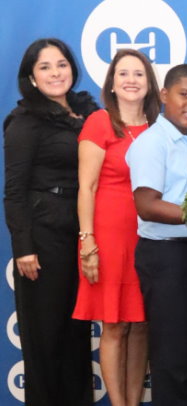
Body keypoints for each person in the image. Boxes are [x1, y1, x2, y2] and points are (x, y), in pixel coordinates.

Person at [3, 38, 99, 406]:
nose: (55, 73)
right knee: (46, 338)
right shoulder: (25, 121)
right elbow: (14, 191)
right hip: (44, 240)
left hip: (83, 235)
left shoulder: (87, 113)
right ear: (31, 76)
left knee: (77, 334)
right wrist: (24, 248)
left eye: (61, 64)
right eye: (45, 67)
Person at [126, 64, 187, 406]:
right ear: (164, 95)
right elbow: (147, 205)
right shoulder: (152, 143)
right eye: (184, 95)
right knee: (172, 361)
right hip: (167, 259)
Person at [72, 49, 160, 406]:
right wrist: (87, 243)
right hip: (108, 237)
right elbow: (86, 188)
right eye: (123, 73)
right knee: (113, 326)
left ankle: (134, 402)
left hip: (150, 237)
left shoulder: (159, 127)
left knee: (140, 325)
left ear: (149, 83)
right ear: (111, 82)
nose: (130, 80)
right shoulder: (99, 122)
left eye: (138, 74)